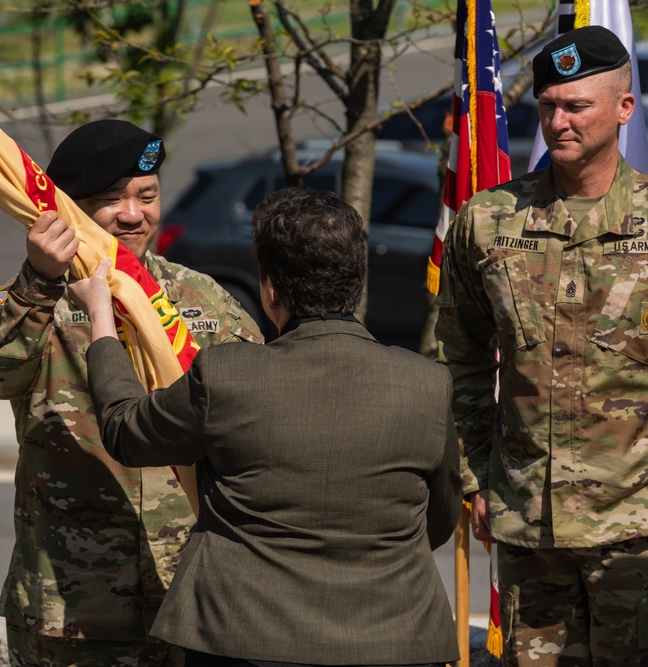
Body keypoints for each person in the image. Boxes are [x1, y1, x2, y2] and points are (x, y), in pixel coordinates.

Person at [434, 25, 648, 666]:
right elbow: (455, 359)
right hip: (529, 534)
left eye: (576, 106)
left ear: (624, 109)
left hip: (645, 535)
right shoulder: (487, 224)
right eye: (547, 107)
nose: (558, 122)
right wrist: (475, 475)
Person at [69, 187, 462, 667]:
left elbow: (125, 432)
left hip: (240, 637)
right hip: (395, 640)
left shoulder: (226, 375)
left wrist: (102, 322)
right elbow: (437, 520)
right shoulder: (427, 383)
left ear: (271, 288)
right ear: (358, 280)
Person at [0, 119, 263, 667]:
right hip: (74, 606)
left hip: (192, 603)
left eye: (146, 196)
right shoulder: (29, 302)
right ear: (68, 211)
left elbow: (263, 415)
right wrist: (39, 280)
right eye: (110, 201)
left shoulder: (202, 299)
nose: (133, 214)